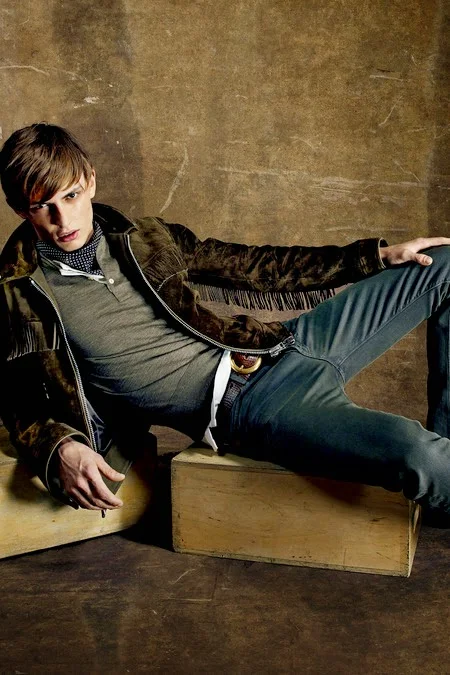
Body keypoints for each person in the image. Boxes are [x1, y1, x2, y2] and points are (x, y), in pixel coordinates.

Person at [1, 122, 450, 523]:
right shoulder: (18, 295)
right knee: (420, 456)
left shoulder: (144, 238)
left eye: (71, 196)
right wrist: (59, 446)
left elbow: (254, 265)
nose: (63, 219)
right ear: (21, 209)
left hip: (281, 344)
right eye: (42, 206)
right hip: (253, 406)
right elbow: (16, 397)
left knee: (443, 263)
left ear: (90, 181)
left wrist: (375, 257)